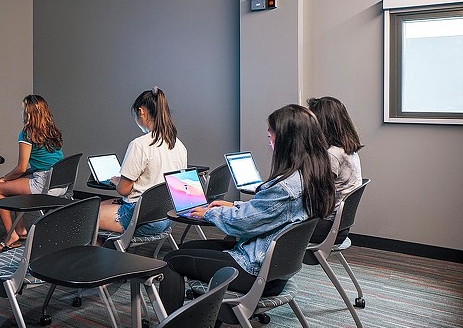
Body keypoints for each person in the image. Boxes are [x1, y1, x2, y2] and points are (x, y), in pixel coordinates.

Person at [159, 104, 335, 312]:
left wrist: (211, 212)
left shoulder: (285, 187)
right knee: (188, 249)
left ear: (288, 141)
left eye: (271, 137)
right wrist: (234, 205)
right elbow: (270, 213)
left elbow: (242, 224)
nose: (270, 144)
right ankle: (208, 321)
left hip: (252, 272)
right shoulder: (312, 178)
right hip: (277, 271)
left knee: (171, 259)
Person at [98, 87, 187, 238]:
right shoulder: (178, 145)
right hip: (167, 216)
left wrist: (117, 182)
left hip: (141, 218)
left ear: (142, 111)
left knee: (85, 216)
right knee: (98, 207)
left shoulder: (140, 145)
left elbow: (124, 190)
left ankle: (103, 258)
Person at [0, 95, 64, 251]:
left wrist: (3, 179)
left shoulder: (27, 134)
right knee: (17, 182)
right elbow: (46, 163)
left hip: (44, 185)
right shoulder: (52, 131)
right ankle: (21, 229)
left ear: (28, 112)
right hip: (60, 183)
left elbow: (21, 168)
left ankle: (11, 236)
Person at [307, 96, 364, 246]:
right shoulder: (348, 149)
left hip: (325, 228)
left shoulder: (332, 155)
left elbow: (316, 196)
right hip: (340, 227)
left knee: (270, 223)